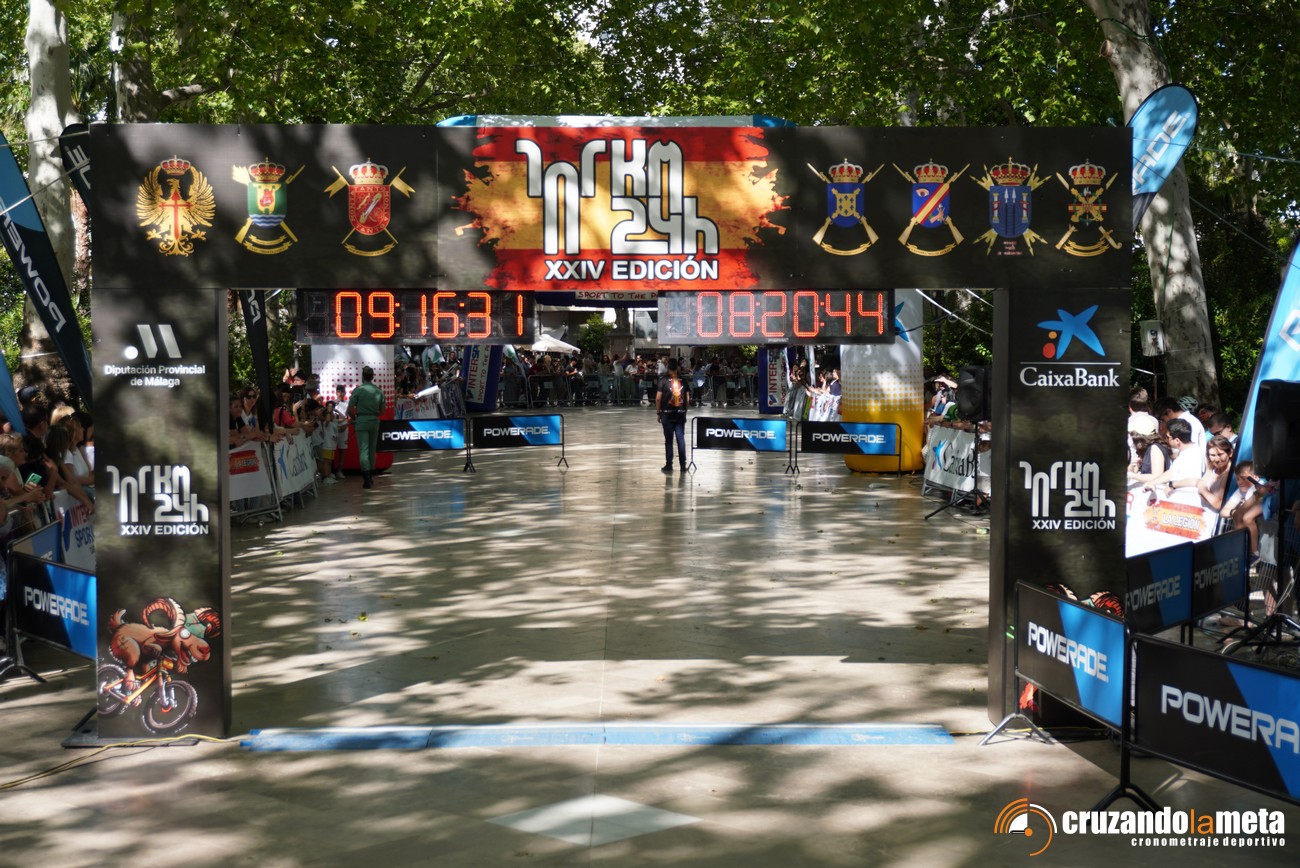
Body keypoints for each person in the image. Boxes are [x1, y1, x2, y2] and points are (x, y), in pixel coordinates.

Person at [348, 366, 384, 489]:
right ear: (372, 377)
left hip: (361, 421)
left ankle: (366, 479)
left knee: (364, 450)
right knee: (372, 450)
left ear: (362, 376)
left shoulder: (358, 390)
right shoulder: (379, 391)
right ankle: (371, 475)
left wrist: (355, 419)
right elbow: (382, 411)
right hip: (374, 421)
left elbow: (350, 409)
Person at [655, 357, 691, 473]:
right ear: (677, 367)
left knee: (669, 440)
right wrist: (684, 411)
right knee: (680, 439)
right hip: (680, 414)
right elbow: (688, 399)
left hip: (667, 414)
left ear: (668, 368)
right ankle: (683, 465)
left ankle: (669, 465)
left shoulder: (663, 380)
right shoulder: (683, 381)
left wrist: (658, 412)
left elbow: (658, 398)